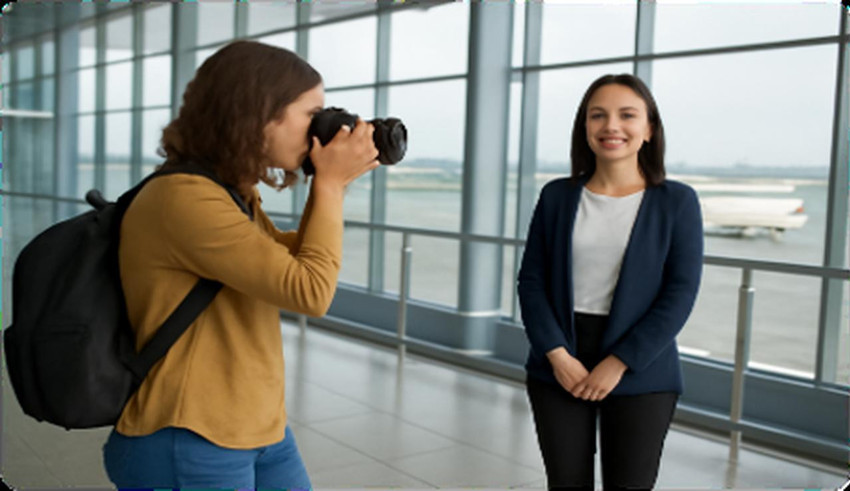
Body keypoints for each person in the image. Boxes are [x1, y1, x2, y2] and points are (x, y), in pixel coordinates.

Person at [101, 40, 379, 489]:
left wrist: (331, 181)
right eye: (311, 114)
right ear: (259, 113)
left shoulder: (230, 192)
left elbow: (293, 258)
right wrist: (329, 185)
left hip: (259, 425)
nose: (319, 128)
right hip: (191, 435)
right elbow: (309, 291)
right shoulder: (184, 197)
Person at [518, 73, 703, 490]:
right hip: (559, 362)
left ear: (649, 129)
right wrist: (558, 357)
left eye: (627, 115)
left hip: (641, 366)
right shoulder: (557, 196)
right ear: (584, 126)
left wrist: (618, 363)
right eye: (597, 115)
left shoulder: (677, 201)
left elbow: (680, 292)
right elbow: (531, 282)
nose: (611, 126)